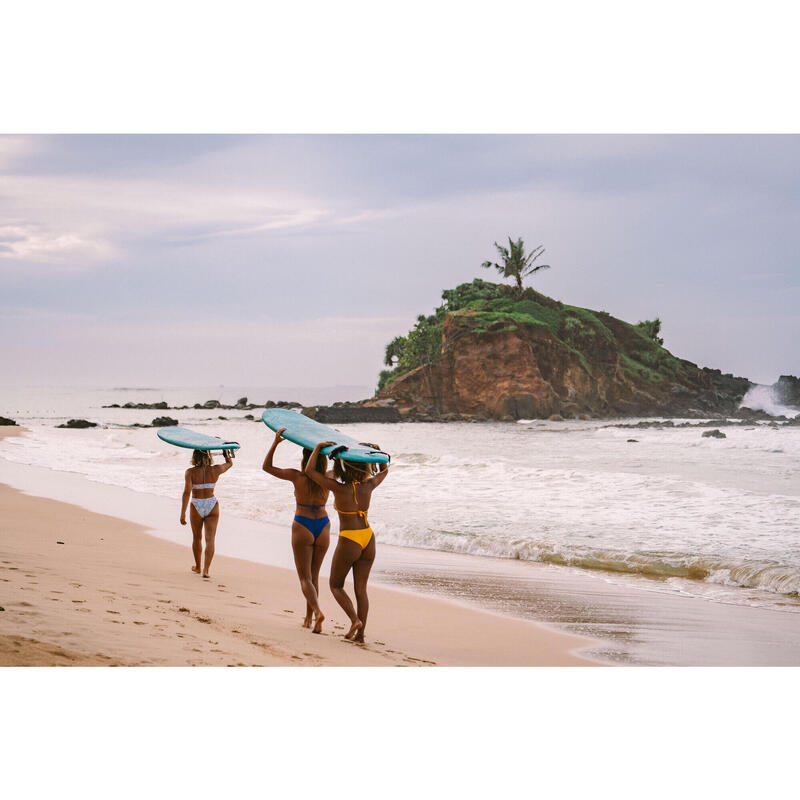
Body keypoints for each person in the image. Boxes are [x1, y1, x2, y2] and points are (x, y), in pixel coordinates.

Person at [304, 441, 388, 642]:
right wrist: (376, 452)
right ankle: (360, 636)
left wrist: (317, 449)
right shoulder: (369, 485)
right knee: (361, 589)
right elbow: (385, 471)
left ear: (344, 468)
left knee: (336, 585)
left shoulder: (338, 488)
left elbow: (310, 471)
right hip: (368, 537)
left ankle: (354, 620)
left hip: (350, 538)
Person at [262, 428, 330, 633]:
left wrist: (275, 442)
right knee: (315, 576)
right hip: (324, 525)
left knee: (304, 578)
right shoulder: (330, 476)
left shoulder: (297, 476)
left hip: (303, 523)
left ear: (305, 458)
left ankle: (317, 612)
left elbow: (267, 467)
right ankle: (308, 619)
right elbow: (351, 469)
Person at [180, 448, 234, 578]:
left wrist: (183, 513)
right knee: (210, 539)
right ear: (209, 456)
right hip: (212, 504)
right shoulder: (215, 470)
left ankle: (198, 567)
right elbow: (229, 463)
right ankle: (206, 570)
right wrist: (225, 450)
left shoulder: (190, 472)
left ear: (194, 456)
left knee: (197, 537)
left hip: (197, 504)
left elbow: (187, 493)